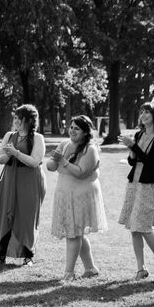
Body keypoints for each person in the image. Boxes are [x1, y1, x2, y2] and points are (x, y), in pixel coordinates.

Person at [47, 115, 107, 282]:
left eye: (77, 128)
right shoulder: (65, 144)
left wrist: (63, 161)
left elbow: (81, 173)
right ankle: (90, 268)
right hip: (65, 193)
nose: (72, 130)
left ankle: (69, 273)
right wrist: (54, 160)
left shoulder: (90, 149)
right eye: (71, 127)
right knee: (76, 232)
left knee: (74, 234)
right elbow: (51, 166)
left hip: (82, 195)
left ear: (85, 132)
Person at [117, 101, 154, 281]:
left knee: (144, 227)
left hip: (149, 186)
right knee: (134, 228)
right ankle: (141, 269)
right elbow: (133, 161)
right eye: (142, 112)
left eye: (147, 112)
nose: (143, 115)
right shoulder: (139, 134)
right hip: (135, 184)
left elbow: (152, 161)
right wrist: (131, 149)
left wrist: (133, 146)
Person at [0, 104, 46, 266]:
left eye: (18, 118)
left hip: (29, 180)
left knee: (26, 216)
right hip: (10, 178)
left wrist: (16, 153)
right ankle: (0, 254)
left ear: (28, 120)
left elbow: (34, 161)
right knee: (5, 215)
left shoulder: (37, 138)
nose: (15, 121)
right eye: (15, 117)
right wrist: (8, 155)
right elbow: (0, 159)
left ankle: (28, 255)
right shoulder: (9, 136)